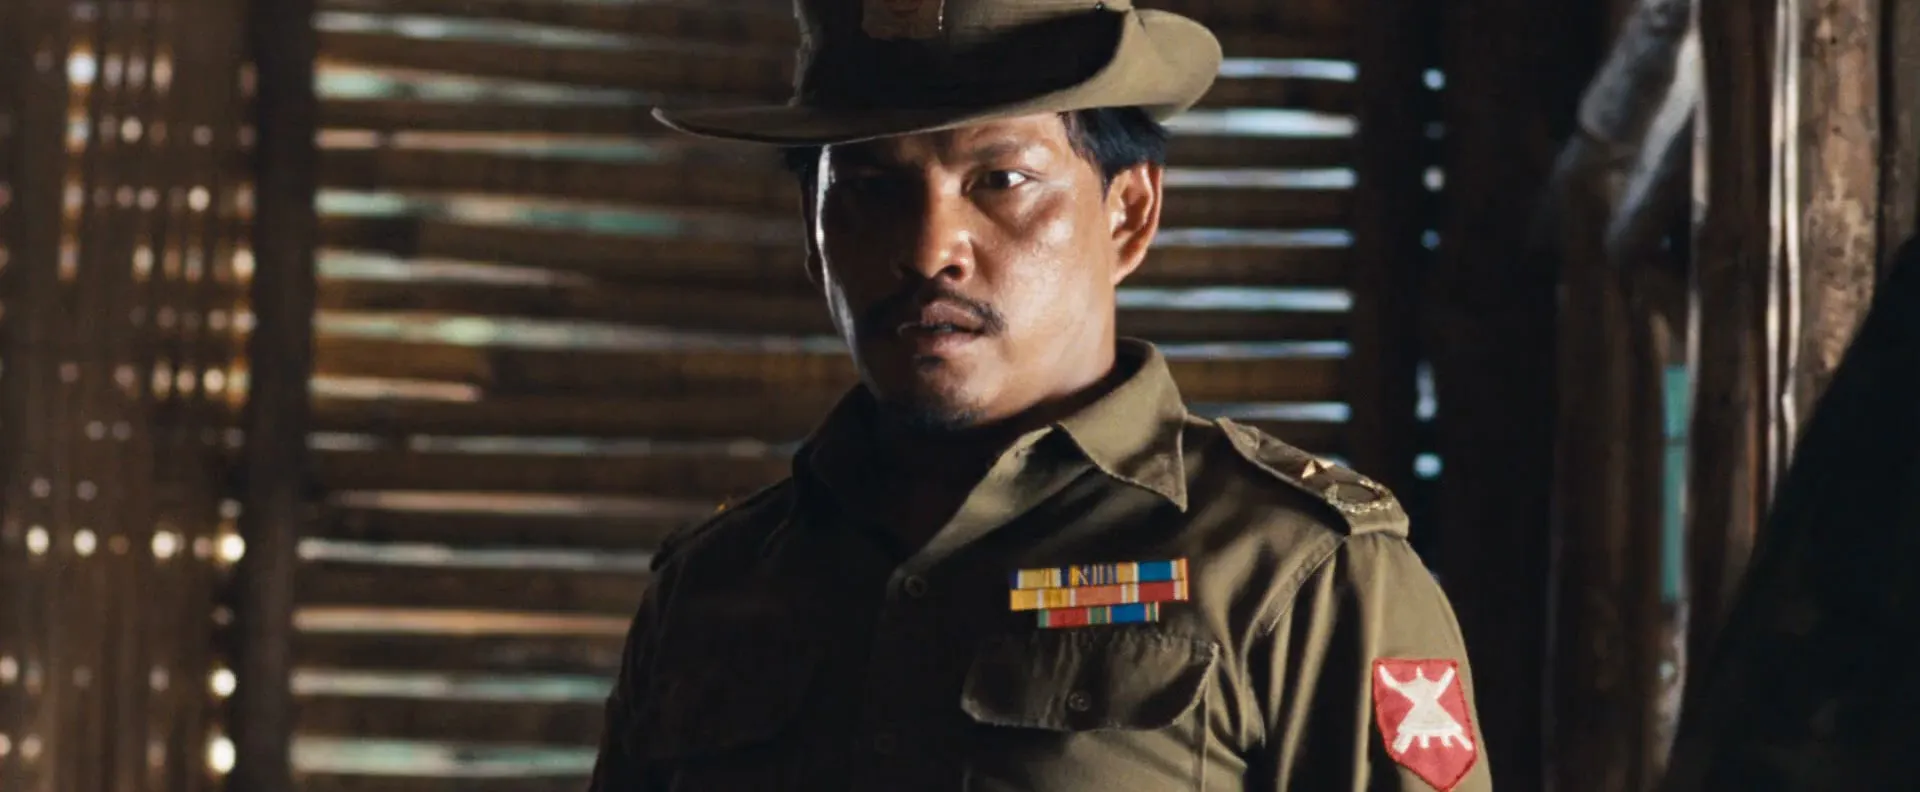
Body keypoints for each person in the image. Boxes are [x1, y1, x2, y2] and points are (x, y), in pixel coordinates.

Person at [589, 0, 1493, 789]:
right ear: (812, 231)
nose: (929, 248)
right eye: (869, 186)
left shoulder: (1298, 577)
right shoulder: (711, 587)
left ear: (1128, 214)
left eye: (1001, 181)